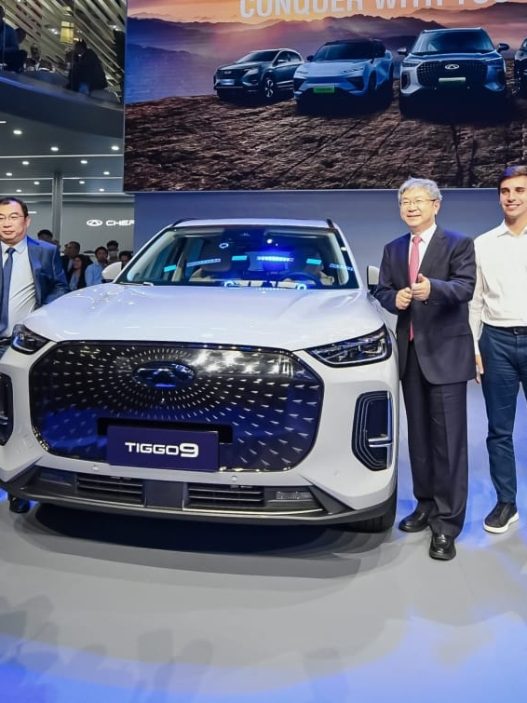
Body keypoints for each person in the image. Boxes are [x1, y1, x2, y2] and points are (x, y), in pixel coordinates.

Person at [375, 177, 476, 561]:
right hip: (411, 355)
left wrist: (433, 288)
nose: (411, 207)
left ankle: (447, 523)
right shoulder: (393, 248)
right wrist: (395, 299)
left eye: (419, 200)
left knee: (448, 442)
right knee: (418, 438)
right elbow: (383, 290)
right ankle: (425, 504)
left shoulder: (458, 243)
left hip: (446, 355)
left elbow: (465, 287)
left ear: (436, 205)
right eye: (405, 201)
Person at [0, 196, 68, 514]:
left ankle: (17, 487)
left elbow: (60, 289)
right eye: (1, 217)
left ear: (26, 221)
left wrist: (40, 319)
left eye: (13, 217)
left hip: (21, 346)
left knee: (18, 416)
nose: (6, 223)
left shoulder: (45, 252)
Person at [469, 164, 527, 534]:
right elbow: (475, 302)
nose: (512, 197)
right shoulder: (483, 244)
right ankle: (507, 502)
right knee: (499, 431)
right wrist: (474, 347)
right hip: (497, 342)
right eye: (506, 191)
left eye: (519, 190)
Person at [0, 5, 25, 72]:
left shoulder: (10, 30)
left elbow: (15, 48)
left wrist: (3, 49)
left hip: (3, 54)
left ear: (2, 15)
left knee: (22, 53)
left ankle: (8, 71)